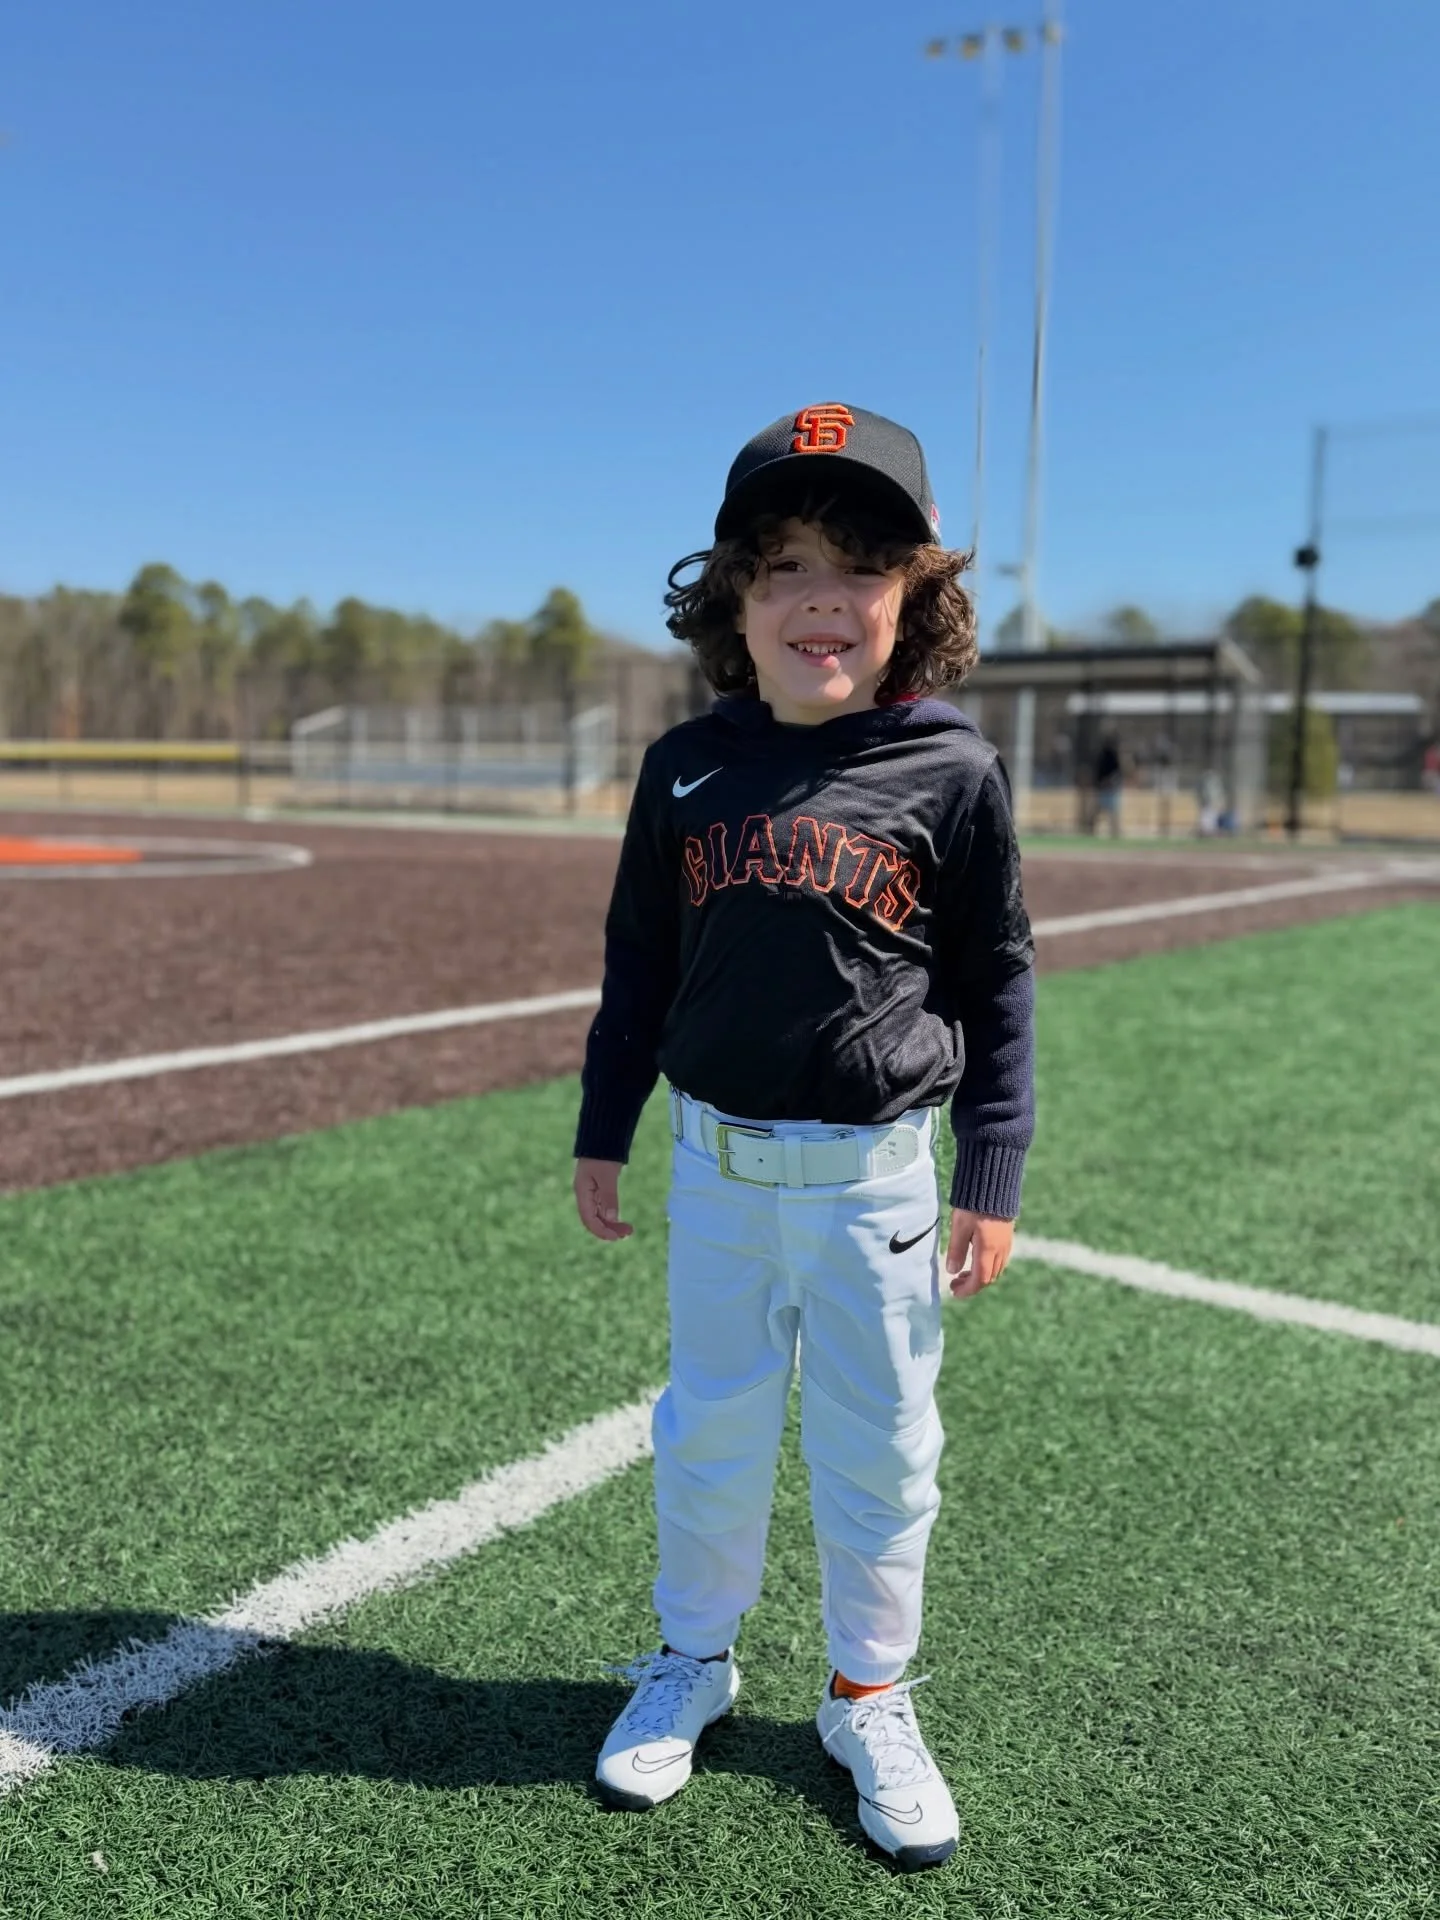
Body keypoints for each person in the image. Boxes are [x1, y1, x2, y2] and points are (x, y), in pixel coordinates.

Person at [572, 404, 1035, 1873]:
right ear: (732, 599)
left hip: (876, 1188)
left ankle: (868, 1693)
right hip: (715, 1171)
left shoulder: (953, 771)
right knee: (708, 1433)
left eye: (859, 563)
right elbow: (638, 962)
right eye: (781, 565)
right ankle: (693, 1662)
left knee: (881, 1453)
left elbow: (998, 979)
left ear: (916, 596)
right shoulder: (684, 766)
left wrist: (993, 1168)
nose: (819, 598)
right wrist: (603, 1125)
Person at [1091, 733, 1123, 836]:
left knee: (1113, 812)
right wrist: (1102, 782)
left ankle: (1114, 831)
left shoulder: (1113, 756)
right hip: (1103, 788)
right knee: (1099, 810)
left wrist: (1110, 781)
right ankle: (1093, 830)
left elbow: (1117, 772)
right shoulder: (1102, 756)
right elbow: (1098, 773)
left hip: (1111, 789)